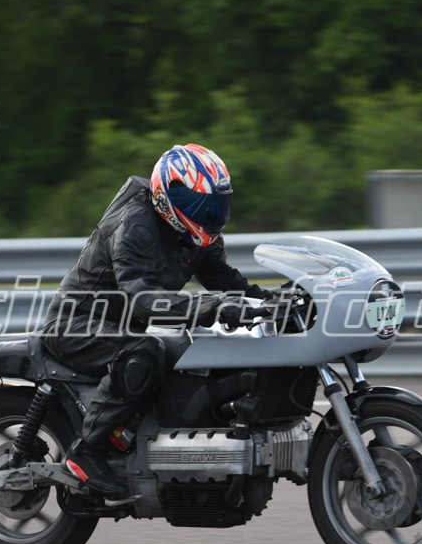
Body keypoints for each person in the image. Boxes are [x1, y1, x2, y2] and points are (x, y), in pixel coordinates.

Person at [41, 143, 269, 497]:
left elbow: (225, 280)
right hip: (77, 324)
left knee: (189, 356)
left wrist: (270, 301)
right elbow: (143, 300)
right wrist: (212, 306)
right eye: (200, 204)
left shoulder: (196, 235)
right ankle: (86, 451)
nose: (211, 214)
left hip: (120, 328)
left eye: (216, 204)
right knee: (144, 351)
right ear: (168, 196)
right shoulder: (136, 225)